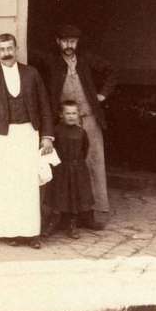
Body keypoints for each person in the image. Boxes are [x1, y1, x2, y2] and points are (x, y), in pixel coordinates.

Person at [0, 32, 55, 247]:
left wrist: (47, 136)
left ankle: (31, 233)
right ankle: (10, 232)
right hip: (1, 138)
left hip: (28, 134)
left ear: (16, 49)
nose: (6, 53)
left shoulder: (32, 74)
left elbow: (45, 105)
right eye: (1, 49)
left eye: (9, 49)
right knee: (7, 185)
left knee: (28, 183)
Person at [33, 23, 116, 229]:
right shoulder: (52, 62)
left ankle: (92, 214)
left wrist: (102, 95)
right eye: (65, 41)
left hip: (88, 120)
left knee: (92, 164)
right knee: (62, 167)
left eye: (73, 41)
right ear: (57, 42)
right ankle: (59, 215)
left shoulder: (86, 59)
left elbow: (112, 71)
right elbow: (30, 55)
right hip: (62, 124)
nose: (69, 45)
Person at [45, 101, 95, 238]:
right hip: (60, 169)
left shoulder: (81, 132)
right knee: (59, 195)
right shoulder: (56, 131)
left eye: (74, 113)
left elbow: (84, 149)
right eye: (68, 113)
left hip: (77, 169)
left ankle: (72, 224)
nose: (71, 116)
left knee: (75, 195)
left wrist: (76, 164)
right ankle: (53, 222)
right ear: (61, 115)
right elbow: (51, 150)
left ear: (78, 115)